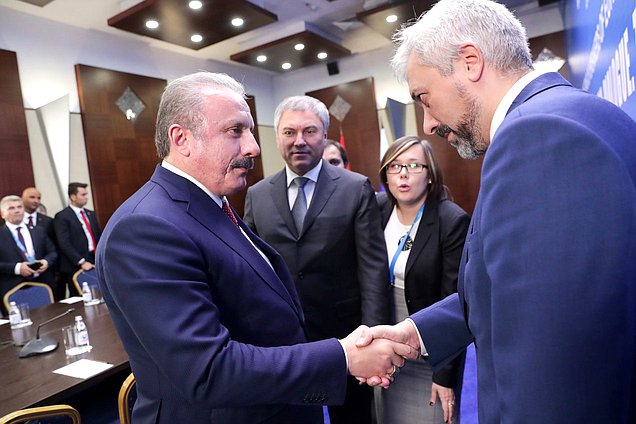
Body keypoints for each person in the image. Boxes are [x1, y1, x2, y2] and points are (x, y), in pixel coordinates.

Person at [357, 0, 636, 422]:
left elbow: (551, 354)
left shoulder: (536, 136)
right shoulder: (576, 113)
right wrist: (415, 332)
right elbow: (515, 289)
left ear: (470, 62)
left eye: (424, 97)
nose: (428, 123)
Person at [96, 72, 414, 424]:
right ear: (181, 138)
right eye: (235, 131)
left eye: (249, 130)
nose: (253, 147)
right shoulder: (146, 228)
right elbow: (209, 370)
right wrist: (342, 356)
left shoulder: (212, 203)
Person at [243, 95, 390, 424]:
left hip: (347, 336)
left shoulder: (355, 188)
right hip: (282, 341)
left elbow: (372, 269)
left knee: (353, 417)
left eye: (309, 131)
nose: (299, 141)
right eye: (289, 132)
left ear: (324, 136)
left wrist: (373, 335)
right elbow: (250, 269)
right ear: (277, 136)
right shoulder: (258, 194)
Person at [375, 136, 469, 424]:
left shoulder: (450, 220)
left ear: (430, 175)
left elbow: (456, 305)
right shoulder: (376, 210)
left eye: (414, 165)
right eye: (395, 166)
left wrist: (445, 375)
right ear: (386, 176)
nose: (403, 174)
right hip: (383, 347)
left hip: (430, 349)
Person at [0, 195, 57, 313]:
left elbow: (53, 252)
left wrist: (45, 262)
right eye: (11, 208)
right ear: (2, 213)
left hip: (43, 284)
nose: (17, 210)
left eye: (19, 207)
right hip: (13, 289)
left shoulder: (38, 230)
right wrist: (17, 268)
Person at [54, 182, 101, 299]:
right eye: (83, 194)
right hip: (75, 263)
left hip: (93, 258)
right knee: (80, 296)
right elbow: (64, 243)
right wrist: (81, 261)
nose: (87, 197)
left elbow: (97, 236)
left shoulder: (91, 214)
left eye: (86, 194)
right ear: (73, 197)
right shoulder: (62, 216)